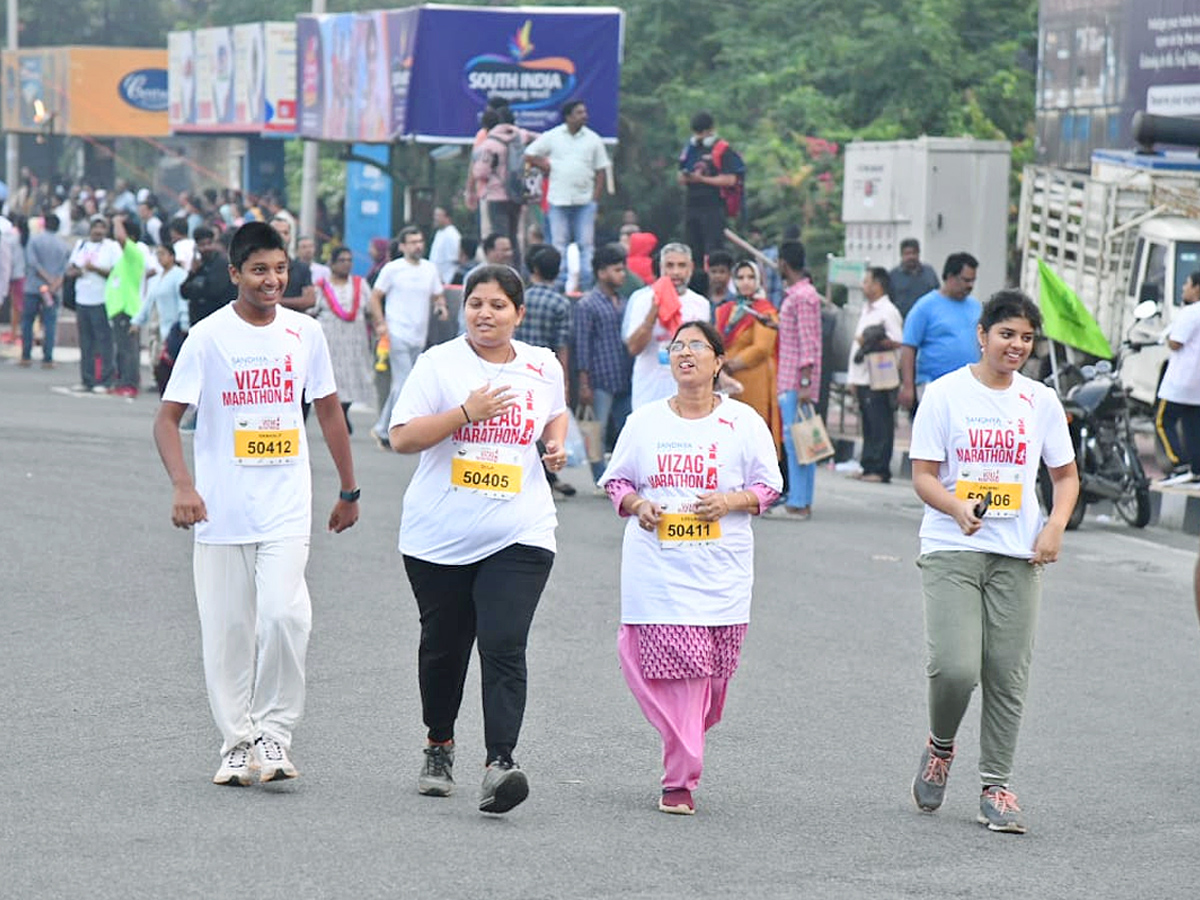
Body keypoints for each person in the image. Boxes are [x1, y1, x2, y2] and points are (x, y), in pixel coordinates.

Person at [152, 221, 360, 787]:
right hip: (221, 512)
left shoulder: (304, 334)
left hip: (286, 506)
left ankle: (274, 733)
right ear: (235, 274)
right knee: (228, 633)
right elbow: (168, 419)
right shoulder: (209, 336)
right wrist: (183, 485)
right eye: (260, 270)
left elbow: (329, 411)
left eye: (280, 269)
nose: (272, 280)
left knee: (286, 615)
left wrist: (348, 488)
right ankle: (237, 743)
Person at [386, 264, 568, 815]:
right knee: (444, 647)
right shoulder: (438, 364)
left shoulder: (542, 366)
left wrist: (555, 446)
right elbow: (401, 437)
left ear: (519, 312)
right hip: (438, 536)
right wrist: (468, 412)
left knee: (504, 643)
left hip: (521, 529)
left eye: (497, 305)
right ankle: (438, 744)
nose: (485, 314)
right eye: (475, 304)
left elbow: (554, 416)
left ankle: (500, 763)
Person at [908, 289, 1078, 835]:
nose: (1017, 346)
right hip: (952, 544)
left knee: (1008, 672)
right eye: (1007, 334)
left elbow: (1065, 477)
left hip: (1018, 552)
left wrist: (1053, 527)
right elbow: (924, 475)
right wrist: (957, 506)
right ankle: (940, 745)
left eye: (1027, 337)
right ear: (982, 335)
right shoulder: (945, 394)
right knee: (956, 667)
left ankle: (996, 786)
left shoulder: (1040, 401)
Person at [599, 319, 782, 815]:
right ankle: (679, 779)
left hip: (721, 572)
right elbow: (616, 482)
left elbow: (769, 486)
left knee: (712, 688)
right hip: (657, 569)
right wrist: (638, 506)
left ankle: (686, 741)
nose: (685, 353)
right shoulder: (645, 421)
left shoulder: (743, 422)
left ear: (719, 361)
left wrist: (731, 500)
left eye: (697, 346)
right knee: (683, 674)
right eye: (677, 347)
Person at [369, 225, 448, 448]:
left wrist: (441, 307)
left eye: (420, 241)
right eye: (412, 242)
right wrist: (381, 324)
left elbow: (438, 295)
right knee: (403, 382)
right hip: (396, 332)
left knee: (407, 383)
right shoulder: (392, 269)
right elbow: (375, 298)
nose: (417, 245)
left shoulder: (430, 269)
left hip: (419, 335)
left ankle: (383, 427)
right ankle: (388, 429)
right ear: (402, 246)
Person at [525, 99, 610, 293]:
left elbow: (601, 171)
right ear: (568, 116)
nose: (585, 116)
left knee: (586, 246)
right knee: (558, 246)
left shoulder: (593, 139)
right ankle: (557, 286)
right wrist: (545, 165)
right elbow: (529, 154)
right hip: (558, 200)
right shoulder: (553, 136)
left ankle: (587, 288)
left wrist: (595, 199)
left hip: (585, 201)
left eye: (584, 112)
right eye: (580, 112)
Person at [515, 245, 575, 498]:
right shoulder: (561, 303)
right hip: (546, 371)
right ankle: (547, 475)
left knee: (521, 422)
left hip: (517, 367)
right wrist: (565, 380)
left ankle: (538, 474)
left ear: (534, 269)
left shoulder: (521, 299)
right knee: (544, 422)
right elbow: (562, 344)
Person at [623, 242, 711, 410]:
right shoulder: (643, 300)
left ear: (691, 268)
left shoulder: (701, 304)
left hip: (687, 395)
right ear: (661, 268)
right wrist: (653, 313)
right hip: (649, 393)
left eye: (681, 265)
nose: (676, 272)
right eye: (669, 266)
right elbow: (633, 348)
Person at [575, 243, 635, 483]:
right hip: (599, 376)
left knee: (627, 429)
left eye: (623, 269)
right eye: (617, 270)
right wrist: (584, 383)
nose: (622, 274)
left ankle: (623, 475)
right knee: (595, 431)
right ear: (601, 273)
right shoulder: (587, 304)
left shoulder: (625, 301)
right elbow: (582, 344)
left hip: (625, 374)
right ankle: (599, 477)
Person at [772, 240, 822, 519]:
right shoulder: (801, 295)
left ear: (783, 263)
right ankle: (802, 500)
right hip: (794, 380)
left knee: (798, 442)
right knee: (806, 442)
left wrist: (804, 383)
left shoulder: (801, 296)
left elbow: (808, 342)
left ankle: (798, 503)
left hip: (795, 382)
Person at [899, 252, 981, 413]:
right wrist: (908, 386)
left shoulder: (976, 308)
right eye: (966, 280)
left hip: (968, 386)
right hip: (933, 385)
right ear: (950, 277)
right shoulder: (925, 307)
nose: (970, 285)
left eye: (973, 281)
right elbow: (909, 347)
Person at [715, 260, 781, 450]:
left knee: (753, 432)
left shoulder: (765, 311)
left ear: (759, 280)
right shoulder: (726, 310)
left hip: (754, 378)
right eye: (741, 277)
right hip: (726, 380)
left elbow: (762, 348)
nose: (745, 282)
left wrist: (730, 365)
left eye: (751, 277)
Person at [847, 267, 904, 482]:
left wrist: (872, 341)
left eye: (867, 281)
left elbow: (898, 341)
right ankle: (867, 465)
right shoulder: (867, 309)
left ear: (878, 284)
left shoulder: (887, 311)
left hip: (879, 377)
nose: (864, 286)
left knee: (881, 422)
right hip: (863, 375)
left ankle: (880, 469)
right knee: (868, 423)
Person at [315, 245, 375, 435]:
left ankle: (344, 411)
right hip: (331, 337)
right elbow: (312, 309)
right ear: (331, 263)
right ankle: (337, 416)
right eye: (342, 260)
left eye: (349, 260)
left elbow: (370, 308)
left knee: (351, 377)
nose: (346, 264)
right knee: (334, 377)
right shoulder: (321, 285)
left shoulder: (359, 284)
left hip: (354, 339)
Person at [468, 107, 536, 267]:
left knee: (500, 237)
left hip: (496, 196)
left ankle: (503, 271)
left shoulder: (489, 143)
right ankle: (518, 271)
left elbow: (480, 172)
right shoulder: (520, 135)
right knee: (514, 237)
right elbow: (542, 141)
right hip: (517, 194)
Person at [677, 111, 744, 266]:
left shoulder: (723, 150)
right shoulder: (690, 149)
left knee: (714, 249)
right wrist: (688, 177)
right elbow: (680, 175)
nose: (700, 137)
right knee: (693, 249)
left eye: (703, 133)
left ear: (710, 130)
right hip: (692, 206)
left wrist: (703, 179)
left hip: (713, 206)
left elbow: (730, 179)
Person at [65, 215, 120, 393]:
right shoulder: (81, 245)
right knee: (86, 341)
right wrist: (78, 271)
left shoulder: (111, 247)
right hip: (83, 299)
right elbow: (71, 268)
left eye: (101, 227)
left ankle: (105, 379)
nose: (98, 230)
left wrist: (94, 269)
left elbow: (116, 272)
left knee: (104, 341)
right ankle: (87, 379)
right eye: (95, 227)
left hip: (101, 299)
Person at [1155, 270, 1200, 485]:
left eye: (1187, 284)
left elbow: (1176, 342)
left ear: (1197, 288)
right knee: (1193, 425)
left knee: (1163, 421)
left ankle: (1178, 465)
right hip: (1196, 384)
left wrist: (1167, 339)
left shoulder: (1191, 312)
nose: (1184, 288)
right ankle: (1196, 469)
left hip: (1180, 380)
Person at [132, 243, 189, 396]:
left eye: (163, 254)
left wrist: (184, 322)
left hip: (173, 326)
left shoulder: (179, 276)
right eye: (157, 254)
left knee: (169, 362)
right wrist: (137, 321)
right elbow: (148, 302)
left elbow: (182, 300)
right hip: (157, 324)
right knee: (157, 361)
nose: (159, 258)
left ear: (172, 256)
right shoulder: (157, 278)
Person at [20, 213, 69, 368]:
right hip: (53, 290)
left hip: (34, 287)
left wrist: (46, 278)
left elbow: (33, 263)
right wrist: (54, 283)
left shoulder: (34, 240)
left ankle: (26, 355)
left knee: (28, 321)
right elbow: (65, 269)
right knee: (50, 323)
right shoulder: (63, 245)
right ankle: (48, 358)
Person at [106, 216, 146, 398]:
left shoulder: (134, 253)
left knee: (129, 350)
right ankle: (123, 381)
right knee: (122, 348)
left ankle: (129, 383)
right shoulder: (125, 257)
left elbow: (121, 238)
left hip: (127, 308)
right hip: (119, 308)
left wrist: (117, 221)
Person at [180, 226, 235, 328]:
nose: (206, 248)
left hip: (218, 323)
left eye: (209, 244)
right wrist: (193, 273)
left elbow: (213, 290)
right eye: (202, 245)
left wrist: (196, 287)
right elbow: (183, 292)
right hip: (199, 323)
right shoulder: (198, 266)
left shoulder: (221, 263)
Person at [888, 237, 941, 320]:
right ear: (901, 255)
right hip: (902, 322)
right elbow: (889, 302)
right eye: (907, 253)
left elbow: (938, 296)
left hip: (927, 321)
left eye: (914, 253)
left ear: (918, 253)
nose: (911, 257)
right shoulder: (893, 275)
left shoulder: (929, 272)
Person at [270, 217, 315, 313]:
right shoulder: (258, 267)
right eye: (277, 232)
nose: (281, 236)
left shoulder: (302, 268)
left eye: (285, 233)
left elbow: (310, 300)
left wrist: (276, 302)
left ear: (290, 237)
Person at [428, 206, 462, 285]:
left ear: (447, 218)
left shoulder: (452, 235)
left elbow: (455, 259)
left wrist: (445, 279)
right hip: (436, 280)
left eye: (438, 216)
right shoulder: (439, 233)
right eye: (435, 215)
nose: (435, 218)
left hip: (446, 281)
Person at [704, 249, 736, 313]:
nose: (717, 276)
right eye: (713, 272)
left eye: (722, 272)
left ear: (730, 274)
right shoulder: (702, 301)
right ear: (708, 273)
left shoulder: (736, 302)